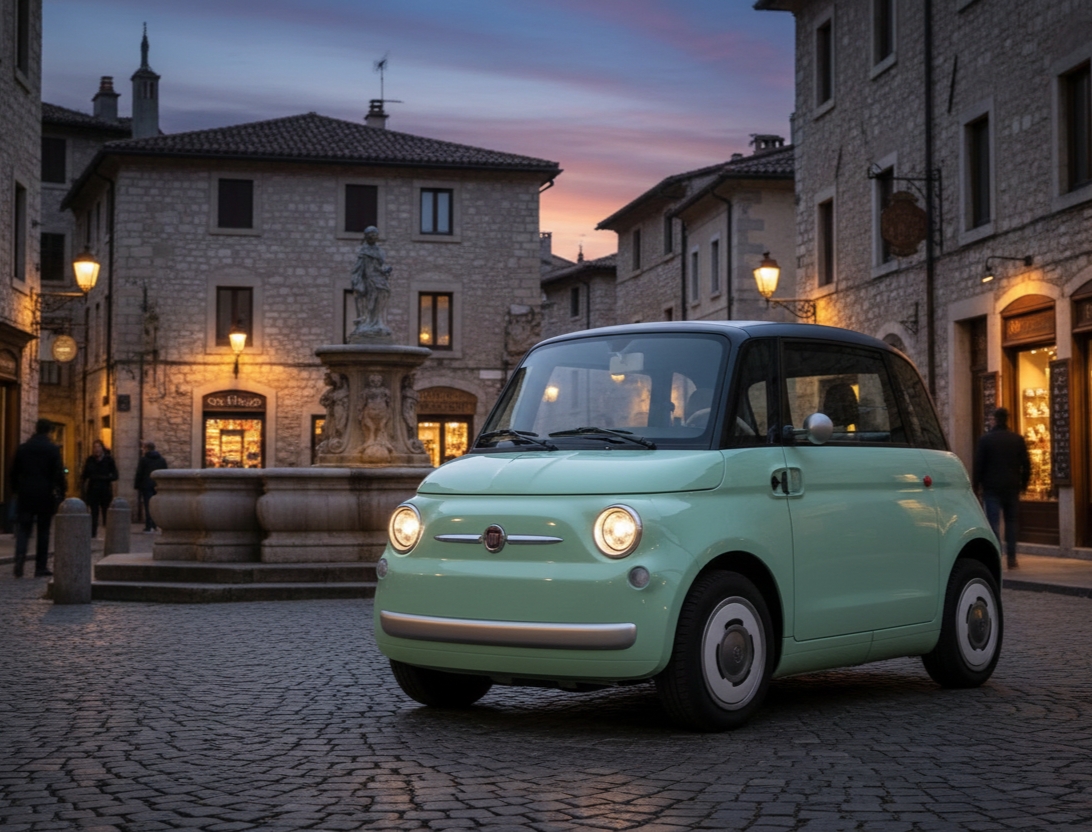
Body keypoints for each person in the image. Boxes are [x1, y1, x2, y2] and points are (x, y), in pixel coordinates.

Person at [973, 407, 1031, 569]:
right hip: (1012, 486)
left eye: (991, 419)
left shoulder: (986, 440)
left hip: (991, 487)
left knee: (993, 524)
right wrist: (1024, 484)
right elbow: (1026, 464)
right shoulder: (1017, 439)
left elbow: (979, 465)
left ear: (995, 420)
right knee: (1012, 522)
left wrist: (975, 486)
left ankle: (996, 557)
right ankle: (1012, 558)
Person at [9, 418, 66, 578]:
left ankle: (19, 559)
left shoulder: (23, 448)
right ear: (49, 431)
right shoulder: (52, 449)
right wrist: (62, 492)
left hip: (26, 493)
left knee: (24, 529)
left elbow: (14, 472)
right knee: (43, 531)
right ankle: (40, 566)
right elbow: (58, 474)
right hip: (45, 494)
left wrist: (16, 490)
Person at [349, 225, 393, 340]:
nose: (372, 237)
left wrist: (386, 269)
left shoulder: (380, 251)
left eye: (374, 234)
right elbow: (358, 268)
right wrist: (356, 280)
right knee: (371, 299)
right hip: (369, 279)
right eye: (370, 235)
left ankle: (377, 322)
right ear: (366, 237)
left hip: (380, 277)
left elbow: (380, 265)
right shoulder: (364, 251)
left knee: (383, 296)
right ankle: (367, 322)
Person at [80, 439, 118, 538]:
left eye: (98, 447)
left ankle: (108, 534)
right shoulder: (90, 460)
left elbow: (115, 475)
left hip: (105, 490)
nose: (96, 449)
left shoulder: (109, 460)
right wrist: (83, 489)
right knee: (94, 512)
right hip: (93, 490)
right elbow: (84, 475)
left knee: (106, 512)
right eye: (95, 447)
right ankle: (93, 533)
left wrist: (105, 478)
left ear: (102, 448)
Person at [134, 441, 168, 532]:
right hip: (158, 485)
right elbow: (165, 472)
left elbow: (139, 473)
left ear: (147, 448)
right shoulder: (161, 460)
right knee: (156, 506)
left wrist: (137, 485)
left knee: (148, 505)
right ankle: (155, 524)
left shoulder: (144, 460)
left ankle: (149, 525)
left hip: (146, 485)